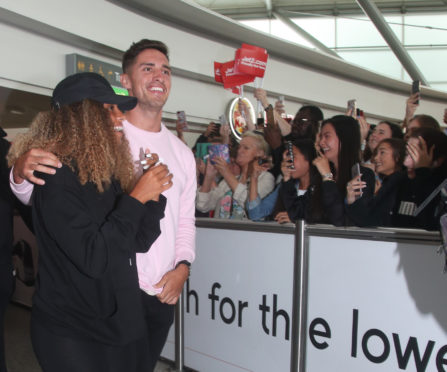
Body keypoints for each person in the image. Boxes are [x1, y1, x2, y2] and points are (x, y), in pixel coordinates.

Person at [10, 39, 197, 371]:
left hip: (114, 316)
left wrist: (152, 197)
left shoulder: (111, 172)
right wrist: (138, 196)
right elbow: (92, 254)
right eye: (108, 108)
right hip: (72, 323)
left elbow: (138, 239)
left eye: (165, 69)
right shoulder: (55, 173)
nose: (117, 116)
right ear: (84, 117)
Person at [313, 115, 375, 226]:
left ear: (344, 138)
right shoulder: (320, 172)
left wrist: (328, 178)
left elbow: (340, 221)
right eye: (321, 137)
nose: (321, 142)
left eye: (327, 136)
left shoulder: (362, 176)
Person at [196, 131, 274, 219]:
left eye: (246, 148)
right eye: (239, 147)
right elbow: (202, 205)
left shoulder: (266, 178)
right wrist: (209, 176)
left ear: (260, 153)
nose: (239, 151)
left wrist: (226, 172)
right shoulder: (229, 181)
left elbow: (249, 204)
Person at [392, 127, 447, 230]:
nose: (405, 162)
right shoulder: (400, 180)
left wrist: (423, 171)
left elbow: (429, 223)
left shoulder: (442, 189)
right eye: (407, 154)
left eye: (414, 156)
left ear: (438, 160)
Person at [347, 138, 405, 227]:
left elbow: (371, 220)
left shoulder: (397, 183)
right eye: (376, 153)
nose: (375, 158)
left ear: (397, 156)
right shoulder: (387, 183)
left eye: (382, 153)